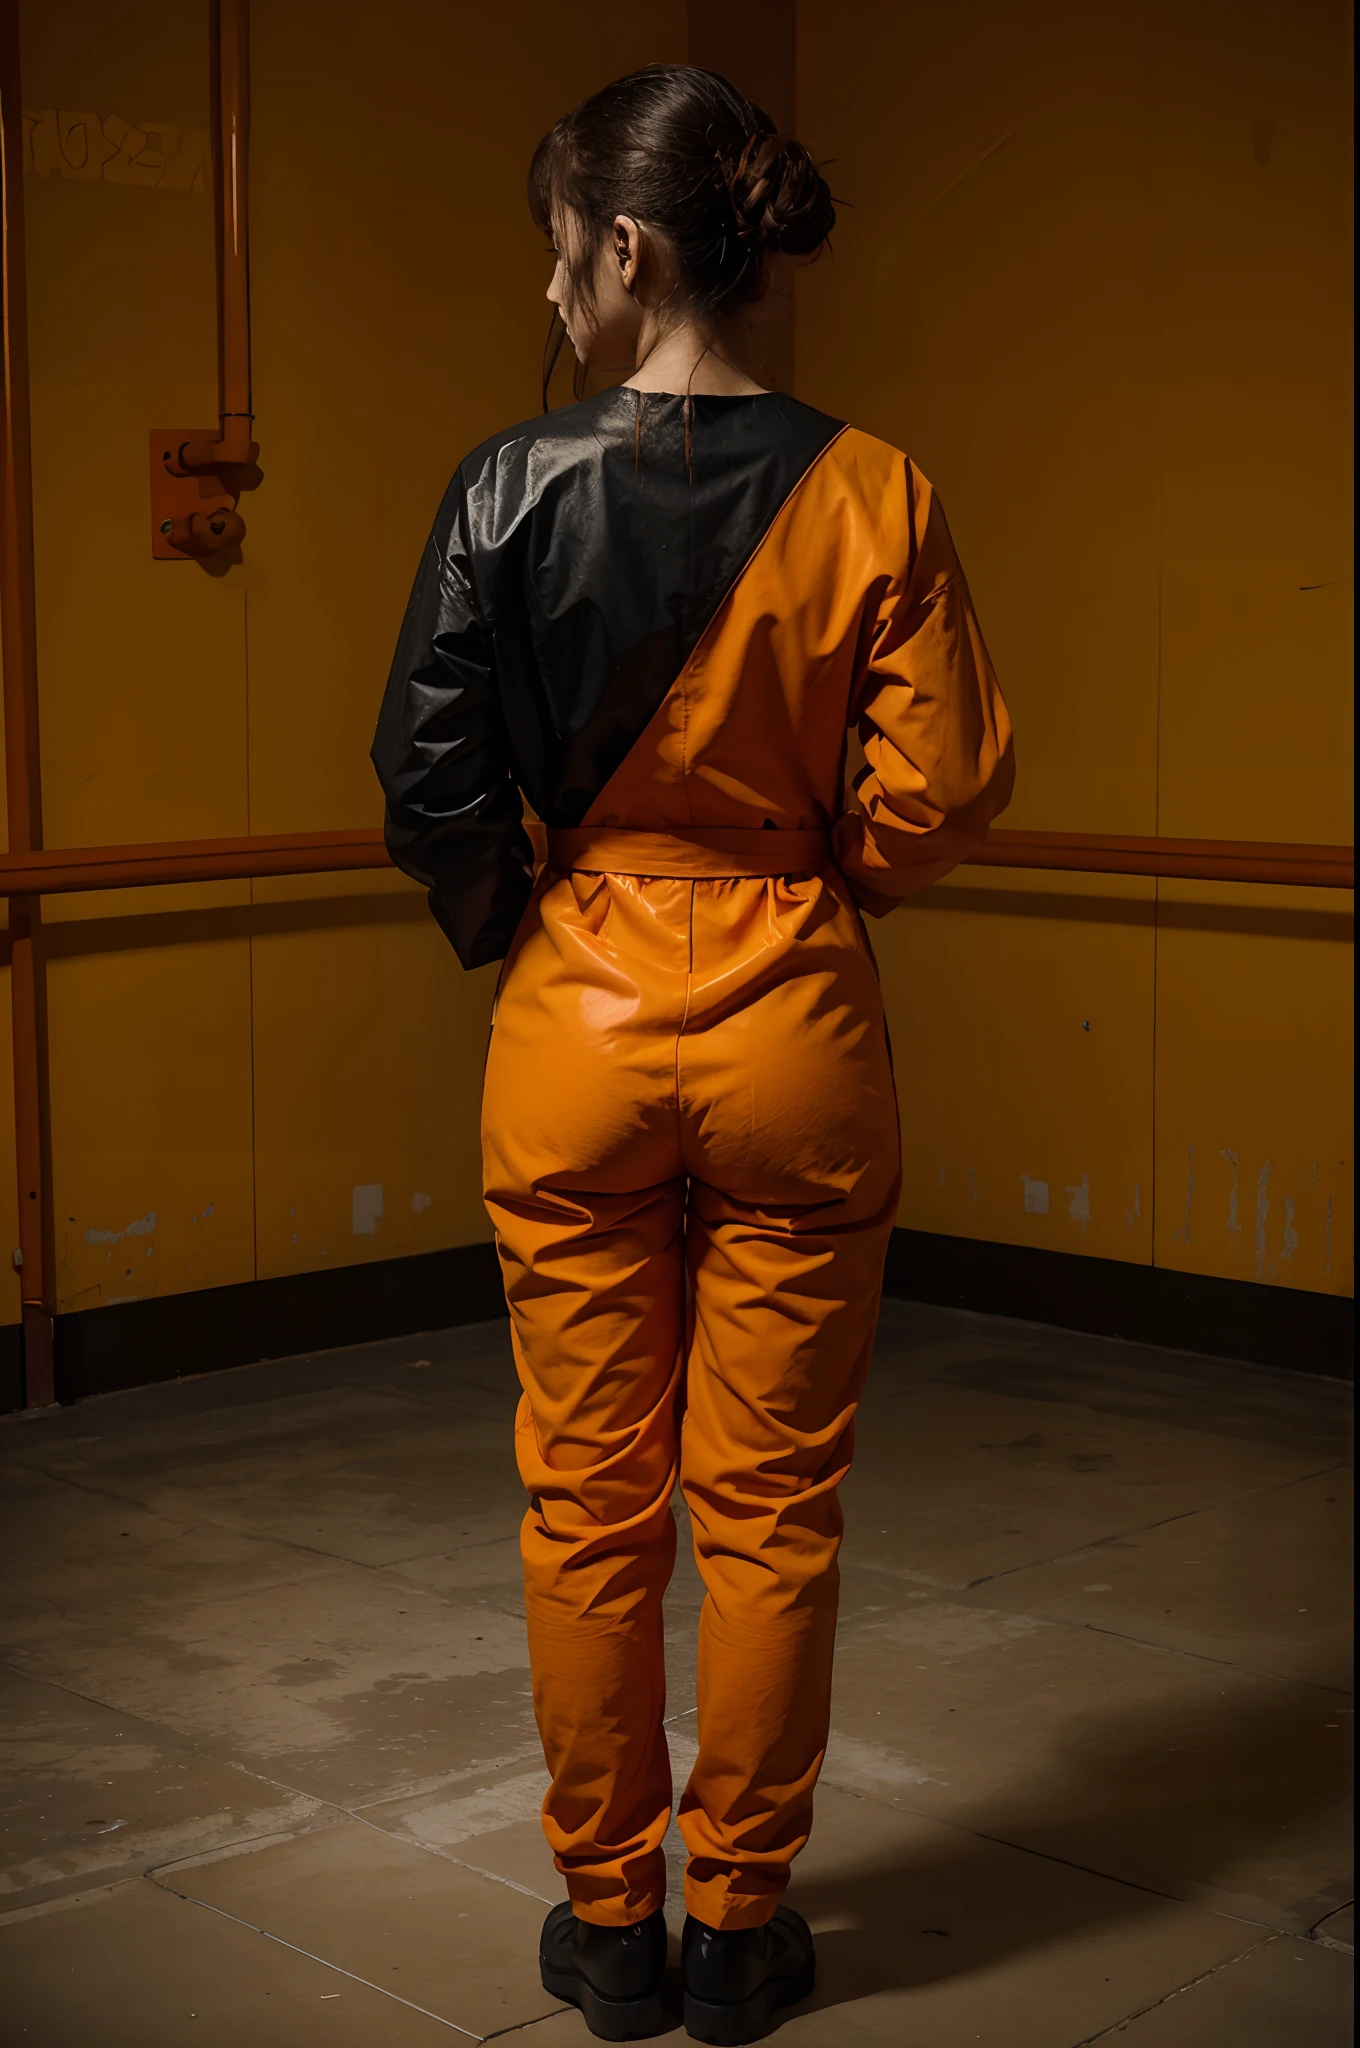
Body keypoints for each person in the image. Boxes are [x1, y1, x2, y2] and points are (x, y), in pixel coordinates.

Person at [372, 63, 1013, 2045]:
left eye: (561, 256)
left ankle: (604, 1925)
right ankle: (738, 1925)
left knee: (586, 1499)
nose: (555, 298)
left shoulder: (500, 483)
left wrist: (531, 922)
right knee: (769, 1502)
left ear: (628, 250)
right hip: (793, 1019)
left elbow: (428, 771)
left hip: (574, 1019)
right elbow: (937, 794)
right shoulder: (877, 490)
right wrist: (810, 897)